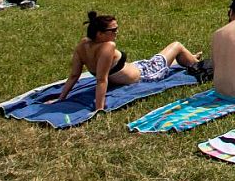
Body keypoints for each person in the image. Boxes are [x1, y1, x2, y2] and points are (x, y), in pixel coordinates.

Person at [59, 12, 202, 113]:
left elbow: (74, 76)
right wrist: (99, 109)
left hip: (137, 66)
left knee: (167, 56)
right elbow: (101, 79)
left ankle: (189, 57)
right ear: (100, 34)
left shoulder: (83, 45)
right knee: (176, 45)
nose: (117, 33)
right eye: (113, 30)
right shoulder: (108, 46)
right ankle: (194, 61)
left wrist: (60, 99)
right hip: (146, 74)